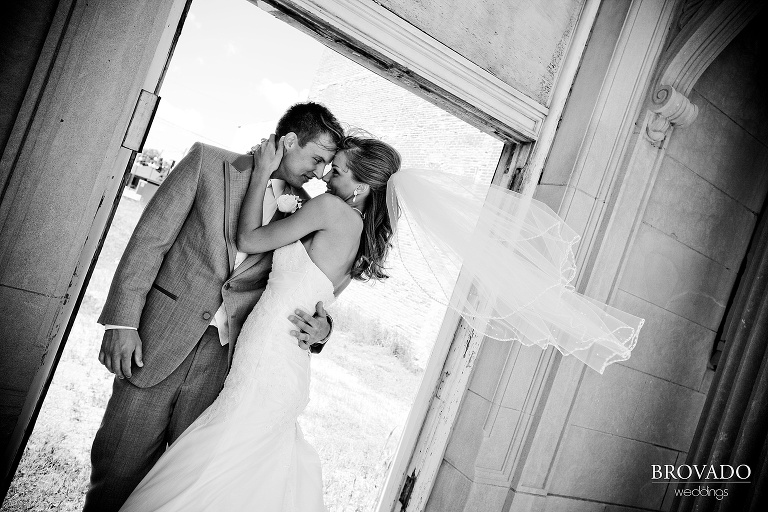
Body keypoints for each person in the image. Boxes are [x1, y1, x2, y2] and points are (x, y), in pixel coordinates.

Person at [118, 134, 401, 511]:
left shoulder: (331, 209)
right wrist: (324, 328)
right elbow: (321, 301)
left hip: (264, 351)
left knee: (217, 460)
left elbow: (249, 240)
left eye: (338, 170)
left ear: (362, 186)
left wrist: (262, 172)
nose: (327, 176)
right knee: (239, 466)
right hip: (288, 363)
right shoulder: (363, 236)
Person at [84, 102, 344, 512]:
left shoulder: (311, 208)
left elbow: (315, 278)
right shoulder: (208, 163)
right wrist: (121, 322)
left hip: (227, 364)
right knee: (116, 470)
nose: (319, 173)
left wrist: (324, 327)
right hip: (157, 340)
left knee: (187, 488)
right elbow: (149, 242)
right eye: (317, 159)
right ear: (291, 141)